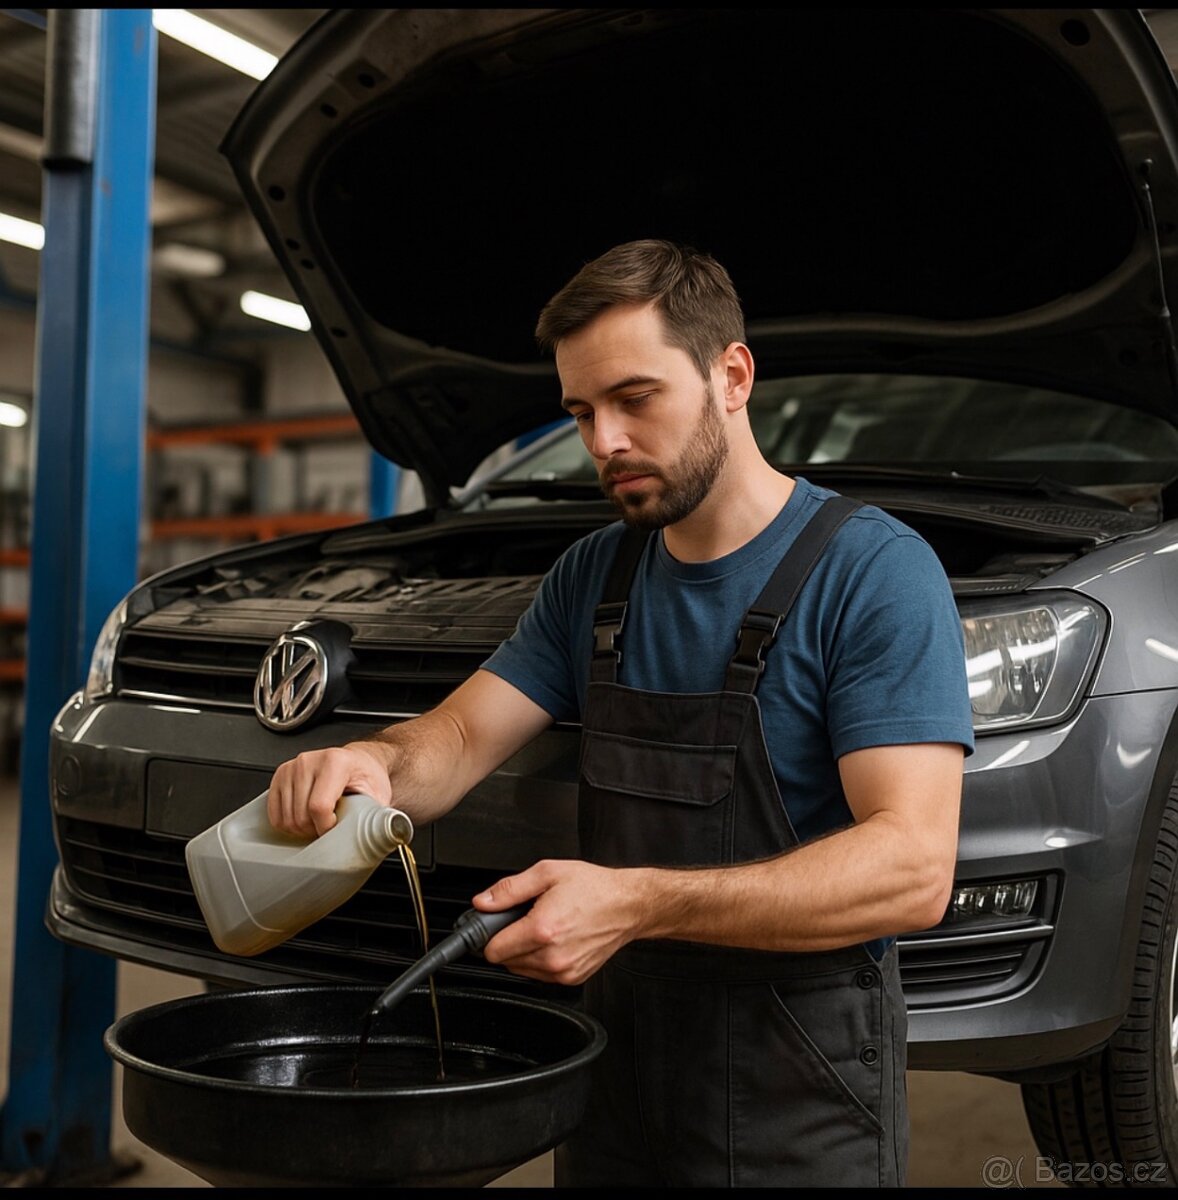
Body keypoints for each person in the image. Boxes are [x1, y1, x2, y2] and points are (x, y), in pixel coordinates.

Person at [265, 239, 974, 1188]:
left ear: (732, 377)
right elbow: (464, 736)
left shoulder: (874, 575)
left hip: (796, 1089)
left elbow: (913, 871)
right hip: (613, 1082)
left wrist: (637, 902)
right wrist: (377, 764)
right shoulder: (596, 577)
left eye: (635, 399)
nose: (604, 442)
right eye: (581, 412)